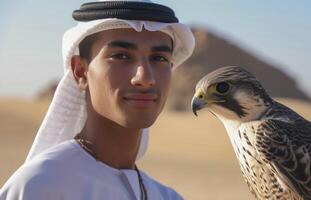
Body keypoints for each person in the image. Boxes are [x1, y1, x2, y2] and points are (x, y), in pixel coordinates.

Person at [0, 0, 195, 199]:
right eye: (121, 56)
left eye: (159, 58)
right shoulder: (39, 186)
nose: (144, 78)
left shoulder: (166, 196)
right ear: (81, 72)